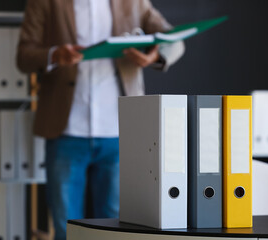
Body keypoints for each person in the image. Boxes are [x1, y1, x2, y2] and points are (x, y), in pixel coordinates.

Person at [16, 0, 185, 240]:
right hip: (65, 129)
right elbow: (23, 56)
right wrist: (54, 54)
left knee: (115, 224)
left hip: (119, 131)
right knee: (65, 226)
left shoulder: (134, 2)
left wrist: (155, 57)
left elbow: (174, 39)